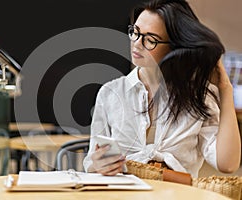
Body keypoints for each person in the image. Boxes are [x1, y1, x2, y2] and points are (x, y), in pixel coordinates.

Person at [83, 0, 241, 178]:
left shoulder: (199, 98)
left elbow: (228, 164)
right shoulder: (110, 93)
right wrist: (98, 163)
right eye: (135, 32)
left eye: (150, 40)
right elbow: (93, 159)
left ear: (174, 47)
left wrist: (225, 88)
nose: (137, 43)